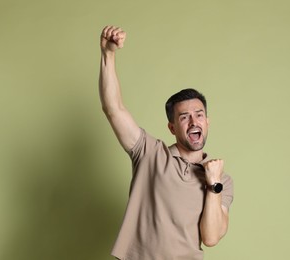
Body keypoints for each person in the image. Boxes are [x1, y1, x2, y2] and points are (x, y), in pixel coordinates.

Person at [99, 25, 234, 260]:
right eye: (184, 117)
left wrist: (213, 183)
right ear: (172, 127)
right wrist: (108, 55)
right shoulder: (149, 153)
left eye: (199, 114)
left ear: (207, 122)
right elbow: (114, 109)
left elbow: (211, 238)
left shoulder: (222, 181)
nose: (194, 121)